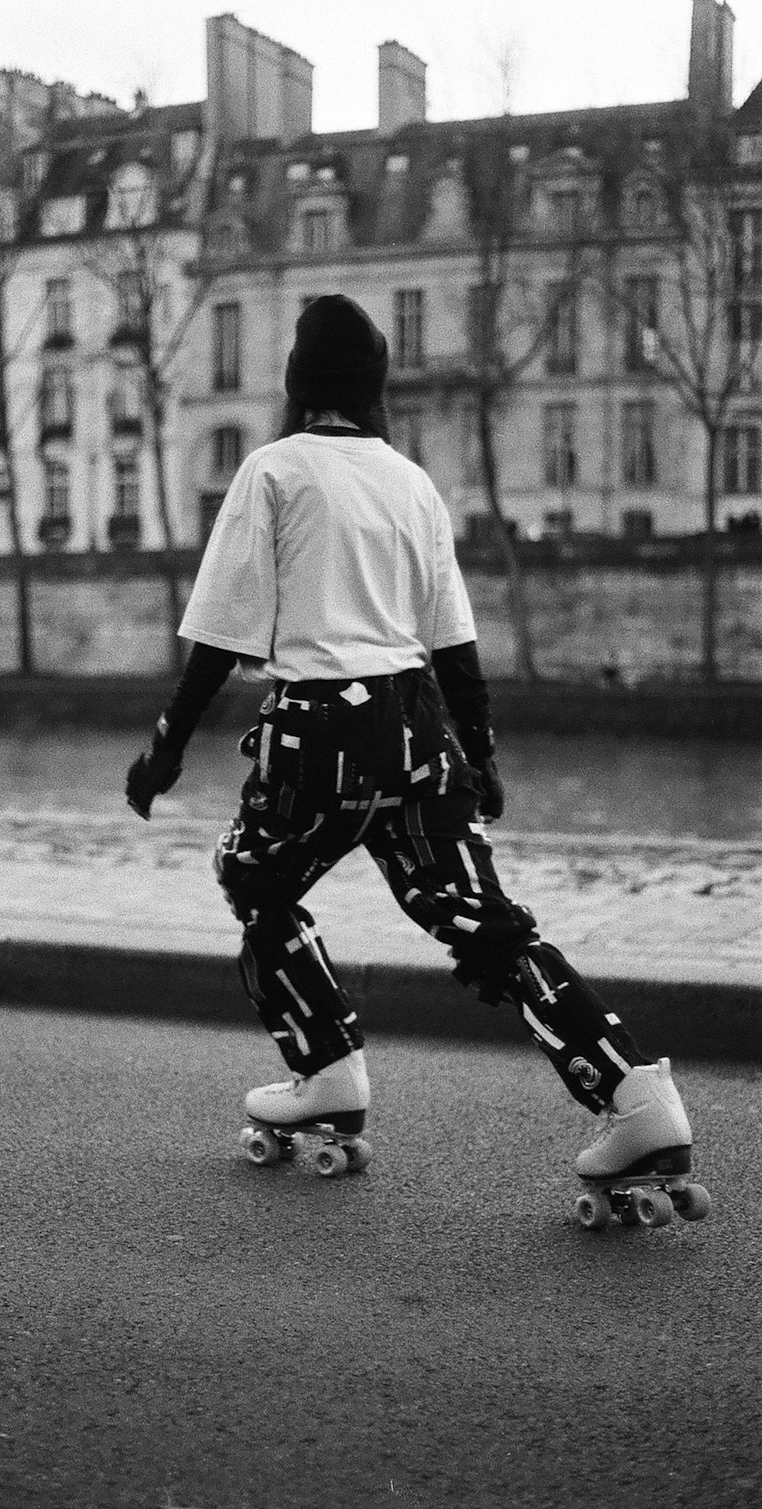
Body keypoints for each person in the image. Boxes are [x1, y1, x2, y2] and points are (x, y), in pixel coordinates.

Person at [126, 293, 695, 1189]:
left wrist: (165, 746)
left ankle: (327, 1069)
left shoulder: (273, 471)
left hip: (319, 730)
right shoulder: (412, 480)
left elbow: (222, 638)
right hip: (418, 730)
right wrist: (483, 751)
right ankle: (636, 1096)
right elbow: (454, 640)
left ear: (297, 386)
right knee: (488, 928)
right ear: (376, 388)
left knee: (256, 880)